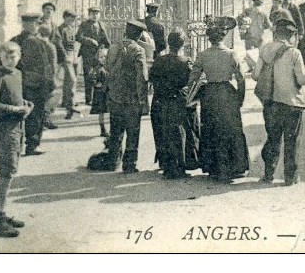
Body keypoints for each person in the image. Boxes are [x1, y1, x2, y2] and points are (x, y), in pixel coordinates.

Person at [0, 41, 34, 238]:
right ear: (0, 57)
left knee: (12, 170)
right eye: (6, 56)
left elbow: (16, 98)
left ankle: (3, 213)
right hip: (5, 128)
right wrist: (16, 109)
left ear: (19, 56)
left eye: (13, 55)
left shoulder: (18, 74)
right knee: (7, 171)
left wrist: (26, 105)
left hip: (17, 127)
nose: (10, 59)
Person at [193, 17, 249, 182]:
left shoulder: (202, 55)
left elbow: (193, 78)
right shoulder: (231, 54)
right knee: (230, 129)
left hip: (209, 94)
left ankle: (213, 167)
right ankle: (234, 166)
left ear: (209, 38)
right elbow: (241, 78)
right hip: (227, 93)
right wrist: (240, 98)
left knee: (211, 129)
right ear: (223, 37)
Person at [254, 18, 305, 184]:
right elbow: (302, 79)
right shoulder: (294, 53)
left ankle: (268, 174)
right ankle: (290, 177)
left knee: (273, 137)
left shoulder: (264, 49)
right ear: (291, 35)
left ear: (275, 33)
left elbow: (256, 75)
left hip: (271, 103)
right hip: (291, 103)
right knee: (292, 140)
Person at [104, 20, 150, 173]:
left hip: (115, 95)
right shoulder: (138, 50)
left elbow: (107, 70)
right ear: (139, 35)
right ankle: (129, 164)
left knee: (116, 130)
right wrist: (142, 100)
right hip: (131, 98)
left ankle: (112, 161)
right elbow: (142, 78)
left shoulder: (113, 47)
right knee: (132, 131)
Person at [149, 29, 194, 179]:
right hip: (176, 100)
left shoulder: (159, 60)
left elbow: (152, 78)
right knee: (178, 133)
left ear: (169, 43)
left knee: (161, 131)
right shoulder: (185, 62)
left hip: (159, 100)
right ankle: (177, 168)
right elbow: (191, 82)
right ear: (183, 44)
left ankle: (164, 162)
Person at [11, 13, 55, 156]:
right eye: (36, 23)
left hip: (19, 83)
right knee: (36, 115)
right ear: (35, 24)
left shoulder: (15, 40)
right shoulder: (36, 42)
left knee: (19, 115)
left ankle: (15, 146)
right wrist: (49, 84)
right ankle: (33, 145)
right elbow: (43, 66)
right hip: (35, 84)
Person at [39, 2, 67, 128]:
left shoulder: (54, 25)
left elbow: (59, 42)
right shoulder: (38, 23)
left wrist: (64, 56)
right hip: (41, 59)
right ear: (43, 10)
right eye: (47, 9)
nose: (49, 11)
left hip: (53, 60)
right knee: (44, 89)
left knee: (53, 88)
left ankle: (47, 115)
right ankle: (43, 118)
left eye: (51, 9)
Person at [76, 6, 110, 106]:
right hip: (87, 53)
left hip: (99, 54)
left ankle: (98, 98)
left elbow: (105, 38)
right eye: (93, 13)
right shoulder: (84, 24)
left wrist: (110, 47)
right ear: (89, 14)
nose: (95, 15)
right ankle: (88, 99)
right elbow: (78, 37)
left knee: (100, 75)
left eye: (97, 13)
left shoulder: (101, 24)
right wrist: (90, 41)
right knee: (89, 76)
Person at [57, 10, 81, 119]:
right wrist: (65, 56)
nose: (72, 20)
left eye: (73, 19)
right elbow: (60, 44)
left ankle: (66, 102)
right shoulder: (61, 29)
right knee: (72, 80)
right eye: (70, 18)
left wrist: (75, 56)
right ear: (64, 18)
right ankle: (70, 104)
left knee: (70, 79)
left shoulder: (71, 29)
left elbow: (74, 43)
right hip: (66, 55)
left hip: (73, 54)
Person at [88, 49, 110, 138]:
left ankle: (110, 129)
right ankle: (103, 129)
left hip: (107, 92)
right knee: (101, 112)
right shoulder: (97, 68)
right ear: (97, 58)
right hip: (100, 93)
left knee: (109, 110)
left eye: (105, 56)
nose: (103, 58)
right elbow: (91, 77)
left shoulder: (108, 67)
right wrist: (96, 84)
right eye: (101, 57)